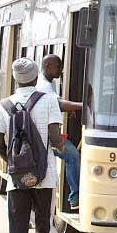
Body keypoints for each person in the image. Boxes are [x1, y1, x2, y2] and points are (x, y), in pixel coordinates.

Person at [0, 58, 64, 233]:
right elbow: (55, 138)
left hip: (17, 180)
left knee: (18, 229)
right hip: (45, 177)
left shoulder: (3, 105)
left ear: (15, 79)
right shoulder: (49, 100)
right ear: (36, 77)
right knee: (43, 226)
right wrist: (60, 149)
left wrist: (15, 164)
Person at [36, 54, 81, 210]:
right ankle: (75, 198)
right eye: (58, 67)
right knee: (73, 156)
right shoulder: (44, 85)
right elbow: (59, 104)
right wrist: (84, 106)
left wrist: (69, 109)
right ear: (47, 66)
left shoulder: (49, 82)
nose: (61, 71)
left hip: (45, 133)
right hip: (45, 136)